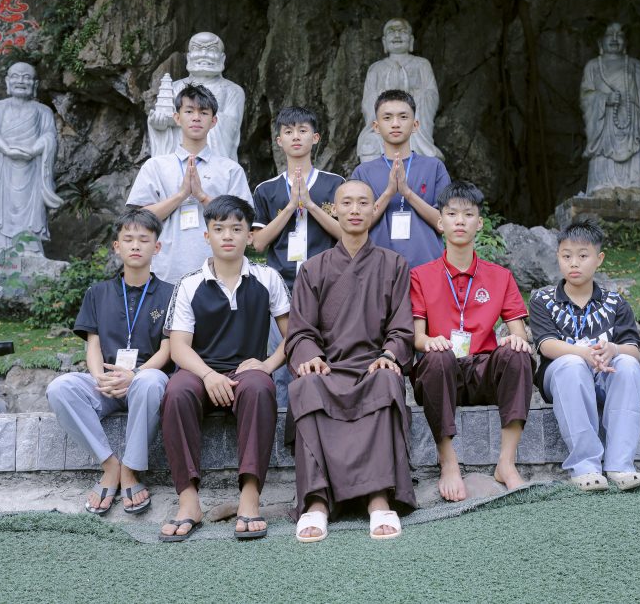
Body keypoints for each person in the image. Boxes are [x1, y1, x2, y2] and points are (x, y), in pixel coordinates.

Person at [287, 180, 416, 543]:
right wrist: (311, 357)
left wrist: (389, 355)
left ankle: (378, 498)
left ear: (375, 209)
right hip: (328, 367)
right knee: (305, 386)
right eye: (347, 203)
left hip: (372, 365)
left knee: (386, 380)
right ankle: (316, 502)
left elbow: (402, 326)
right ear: (334, 210)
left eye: (363, 203)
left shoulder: (394, 264)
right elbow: (300, 330)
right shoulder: (313, 268)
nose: (355, 210)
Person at [158, 196, 290, 542]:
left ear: (250, 236)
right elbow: (179, 346)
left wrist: (267, 364)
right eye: (219, 229)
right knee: (176, 391)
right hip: (200, 370)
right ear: (207, 236)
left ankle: (250, 496)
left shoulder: (268, 278)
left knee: (260, 387)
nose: (227, 236)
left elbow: (294, 337)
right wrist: (207, 375)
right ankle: (189, 501)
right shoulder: (189, 283)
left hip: (247, 370)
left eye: (236, 228)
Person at [409, 181, 534, 502]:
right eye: (452, 214)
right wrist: (430, 342)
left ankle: (506, 463)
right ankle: (448, 462)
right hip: (441, 370)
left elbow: (518, 332)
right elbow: (418, 337)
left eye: (468, 214)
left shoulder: (500, 276)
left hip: (482, 370)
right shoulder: (420, 275)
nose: (460, 221)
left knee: (518, 355)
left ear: (479, 223)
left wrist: (514, 341)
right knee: (437, 358)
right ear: (440, 222)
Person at [46, 209, 173, 516]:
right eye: (128, 239)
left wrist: (135, 373)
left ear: (157, 247)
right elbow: (93, 345)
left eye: (143, 239)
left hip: (146, 380)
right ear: (117, 246)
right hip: (106, 383)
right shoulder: (97, 293)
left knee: (150, 382)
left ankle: (130, 469)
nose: (135, 245)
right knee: (60, 388)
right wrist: (99, 377)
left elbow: (169, 348)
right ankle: (110, 464)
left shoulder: (171, 293)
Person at [528, 221, 640, 491]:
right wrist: (584, 354)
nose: (574, 263)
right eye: (566, 256)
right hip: (561, 377)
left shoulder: (615, 302)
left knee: (628, 365)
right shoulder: (543, 299)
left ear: (599, 259)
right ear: (558, 257)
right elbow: (547, 345)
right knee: (571, 364)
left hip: (606, 377)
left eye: (583, 256)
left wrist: (614, 349)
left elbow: (633, 349)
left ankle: (620, 465)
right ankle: (585, 467)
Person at [252, 106, 344, 406]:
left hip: (326, 285)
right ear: (279, 140)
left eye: (303, 131)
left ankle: (325, 416)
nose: (296, 137)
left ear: (315, 138)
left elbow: (346, 235)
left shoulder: (334, 184)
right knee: (281, 360)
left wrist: (311, 205)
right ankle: (281, 422)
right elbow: (258, 243)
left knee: (326, 357)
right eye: (288, 131)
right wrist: (291, 206)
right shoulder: (267, 189)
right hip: (281, 286)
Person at [127, 84, 253, 284]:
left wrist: (202, 196)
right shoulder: (155, 166)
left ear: (213, 121)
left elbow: (244, 220)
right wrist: (181, 195)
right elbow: (138, 220)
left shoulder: (230, 169)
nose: (196, 118)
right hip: (165, 273)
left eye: (203, 112)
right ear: (177, 118)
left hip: (218, 274)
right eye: (189, 111)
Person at [0, 61, 63, 263]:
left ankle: (30, 248)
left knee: (32, 212)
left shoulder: (43, 111)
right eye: (16, 76)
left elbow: (49, 137)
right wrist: (6, 148)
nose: (21, 81)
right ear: (7, 81)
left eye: (27, 77)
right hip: (3, 168)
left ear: (35, 84)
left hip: (33, 168)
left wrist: (33, 150)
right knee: (0, 210)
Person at [351, 89, 451, 269]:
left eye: (403, 117)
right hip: (376, 268)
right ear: (376, 126)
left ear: (415, 125)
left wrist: (407, 193)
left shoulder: (434, 167)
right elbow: (357, 226)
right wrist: (389, 193)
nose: (395, 124)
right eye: (387, 118)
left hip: (427, 267)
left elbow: (444, 224)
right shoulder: (363, 172)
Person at [580, 22, 640, 195]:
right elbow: (585, 98)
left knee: (637, 148)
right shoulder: (593, 66)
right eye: (609, 35)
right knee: (604, 155)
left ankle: (638, 184)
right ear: (600, 42)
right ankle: (603, 185)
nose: (614, 39)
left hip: (632, 119)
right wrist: (605, 99)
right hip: (605, 122)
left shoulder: (635, 65)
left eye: (619, 35)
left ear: (626, 42)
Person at [147, 32, 246, 161]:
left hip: (214, 163)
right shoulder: (175, 87)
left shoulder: (233, 90)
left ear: (222, 58)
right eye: (197, 49)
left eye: (211, 50)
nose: (203, 54)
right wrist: (159, 124)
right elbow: (164, 117)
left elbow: (231, 127)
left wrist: (182, 120)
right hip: (177, 161)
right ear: (188, 57)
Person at [356, 18, 443, 162]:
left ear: (411, 40)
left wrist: (413, 97)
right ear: (384, 42)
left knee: (420, 148)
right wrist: (383, 98)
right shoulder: (376, 68)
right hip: (383, 127)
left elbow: (431, 95)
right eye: (391, 32)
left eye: (402, 31)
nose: (397, 35)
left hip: (414, 128)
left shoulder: (421, 64)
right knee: (369, 145)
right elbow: (367, 102)